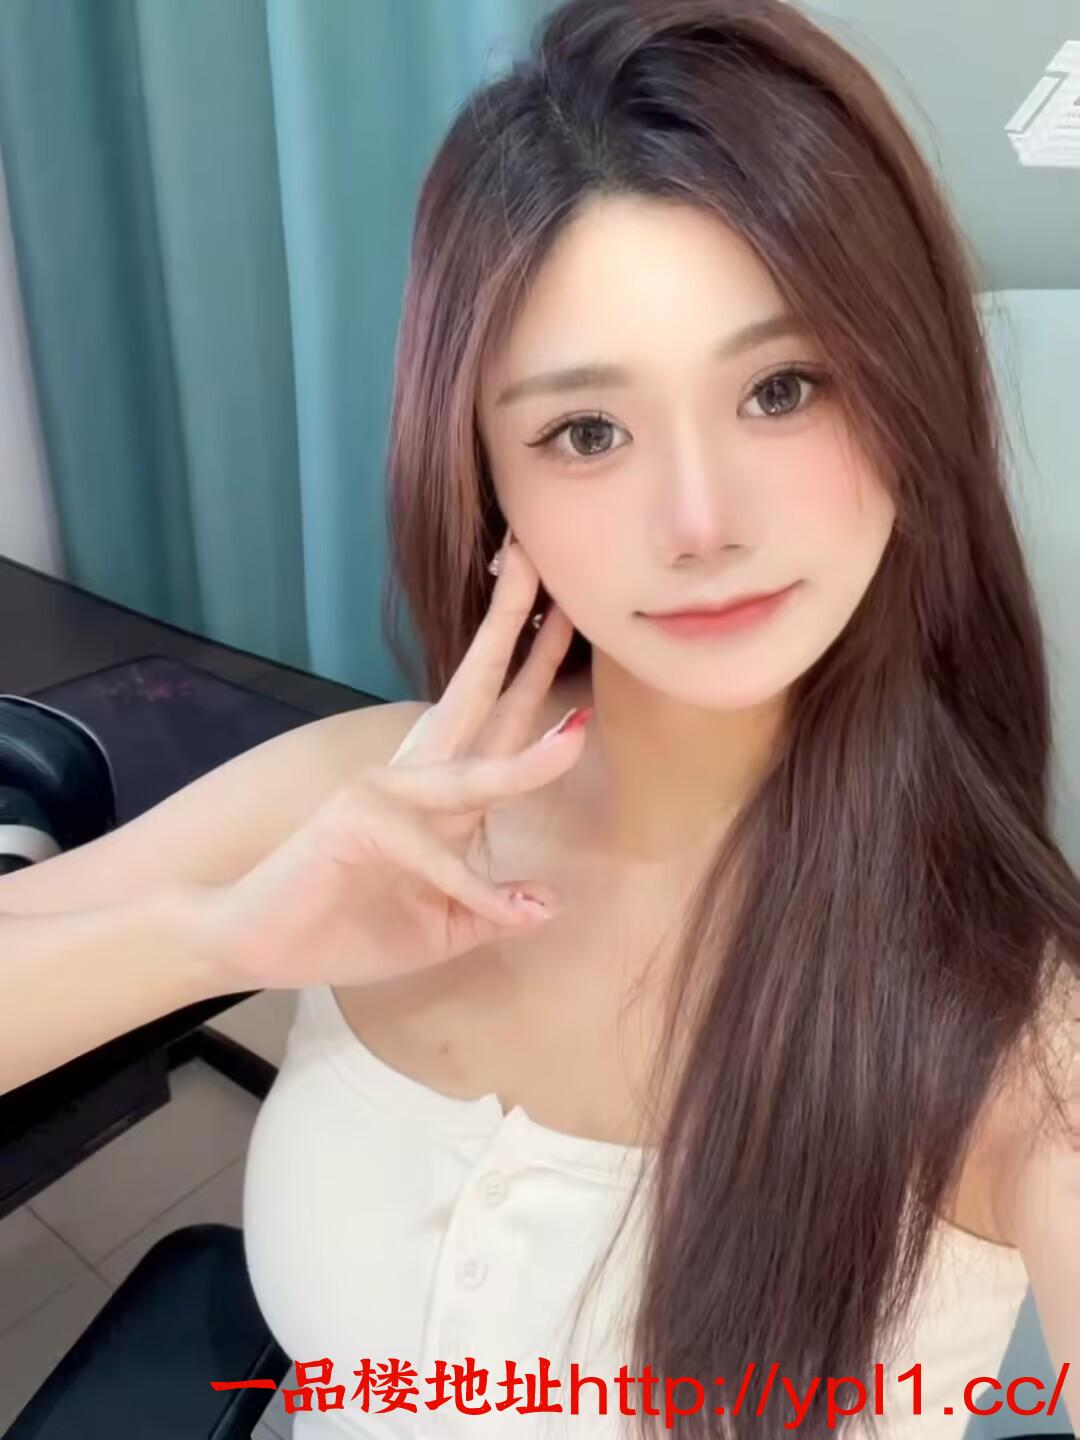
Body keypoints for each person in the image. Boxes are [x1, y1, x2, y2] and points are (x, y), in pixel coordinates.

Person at [1, 0, 1077, 1435]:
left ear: (911, 405)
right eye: (588, 431)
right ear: (490, 482)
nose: (701, 521)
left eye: (783, 388)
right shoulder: (377, 791)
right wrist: (216, 940)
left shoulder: (1018, 1032)